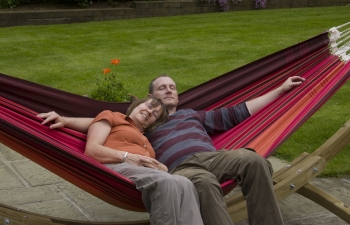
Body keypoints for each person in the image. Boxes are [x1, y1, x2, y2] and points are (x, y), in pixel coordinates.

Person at [38, 75, 305, 225]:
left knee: (253, 160)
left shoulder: (193, 115)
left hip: (212, 158)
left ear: (177, 97)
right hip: (180, 169)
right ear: (150, 97)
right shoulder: (143, 124)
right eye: (161, 88)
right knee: (204, 182)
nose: (169, 90)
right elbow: (100, 121)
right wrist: (66, 119)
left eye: (173, 87)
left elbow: (238, 112)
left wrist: (280, 90)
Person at [39, 98, 204, 225]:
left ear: (154, 123)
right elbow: (92, 150)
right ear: (136, 105)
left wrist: (162, 168)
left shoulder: (147, 142)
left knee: (185, 183)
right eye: (148, 105)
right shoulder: (113, 117)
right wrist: (126, 156)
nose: (149, 111)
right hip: (116, 167)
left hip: (146, 175)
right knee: (167, 182)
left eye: (155, 114)